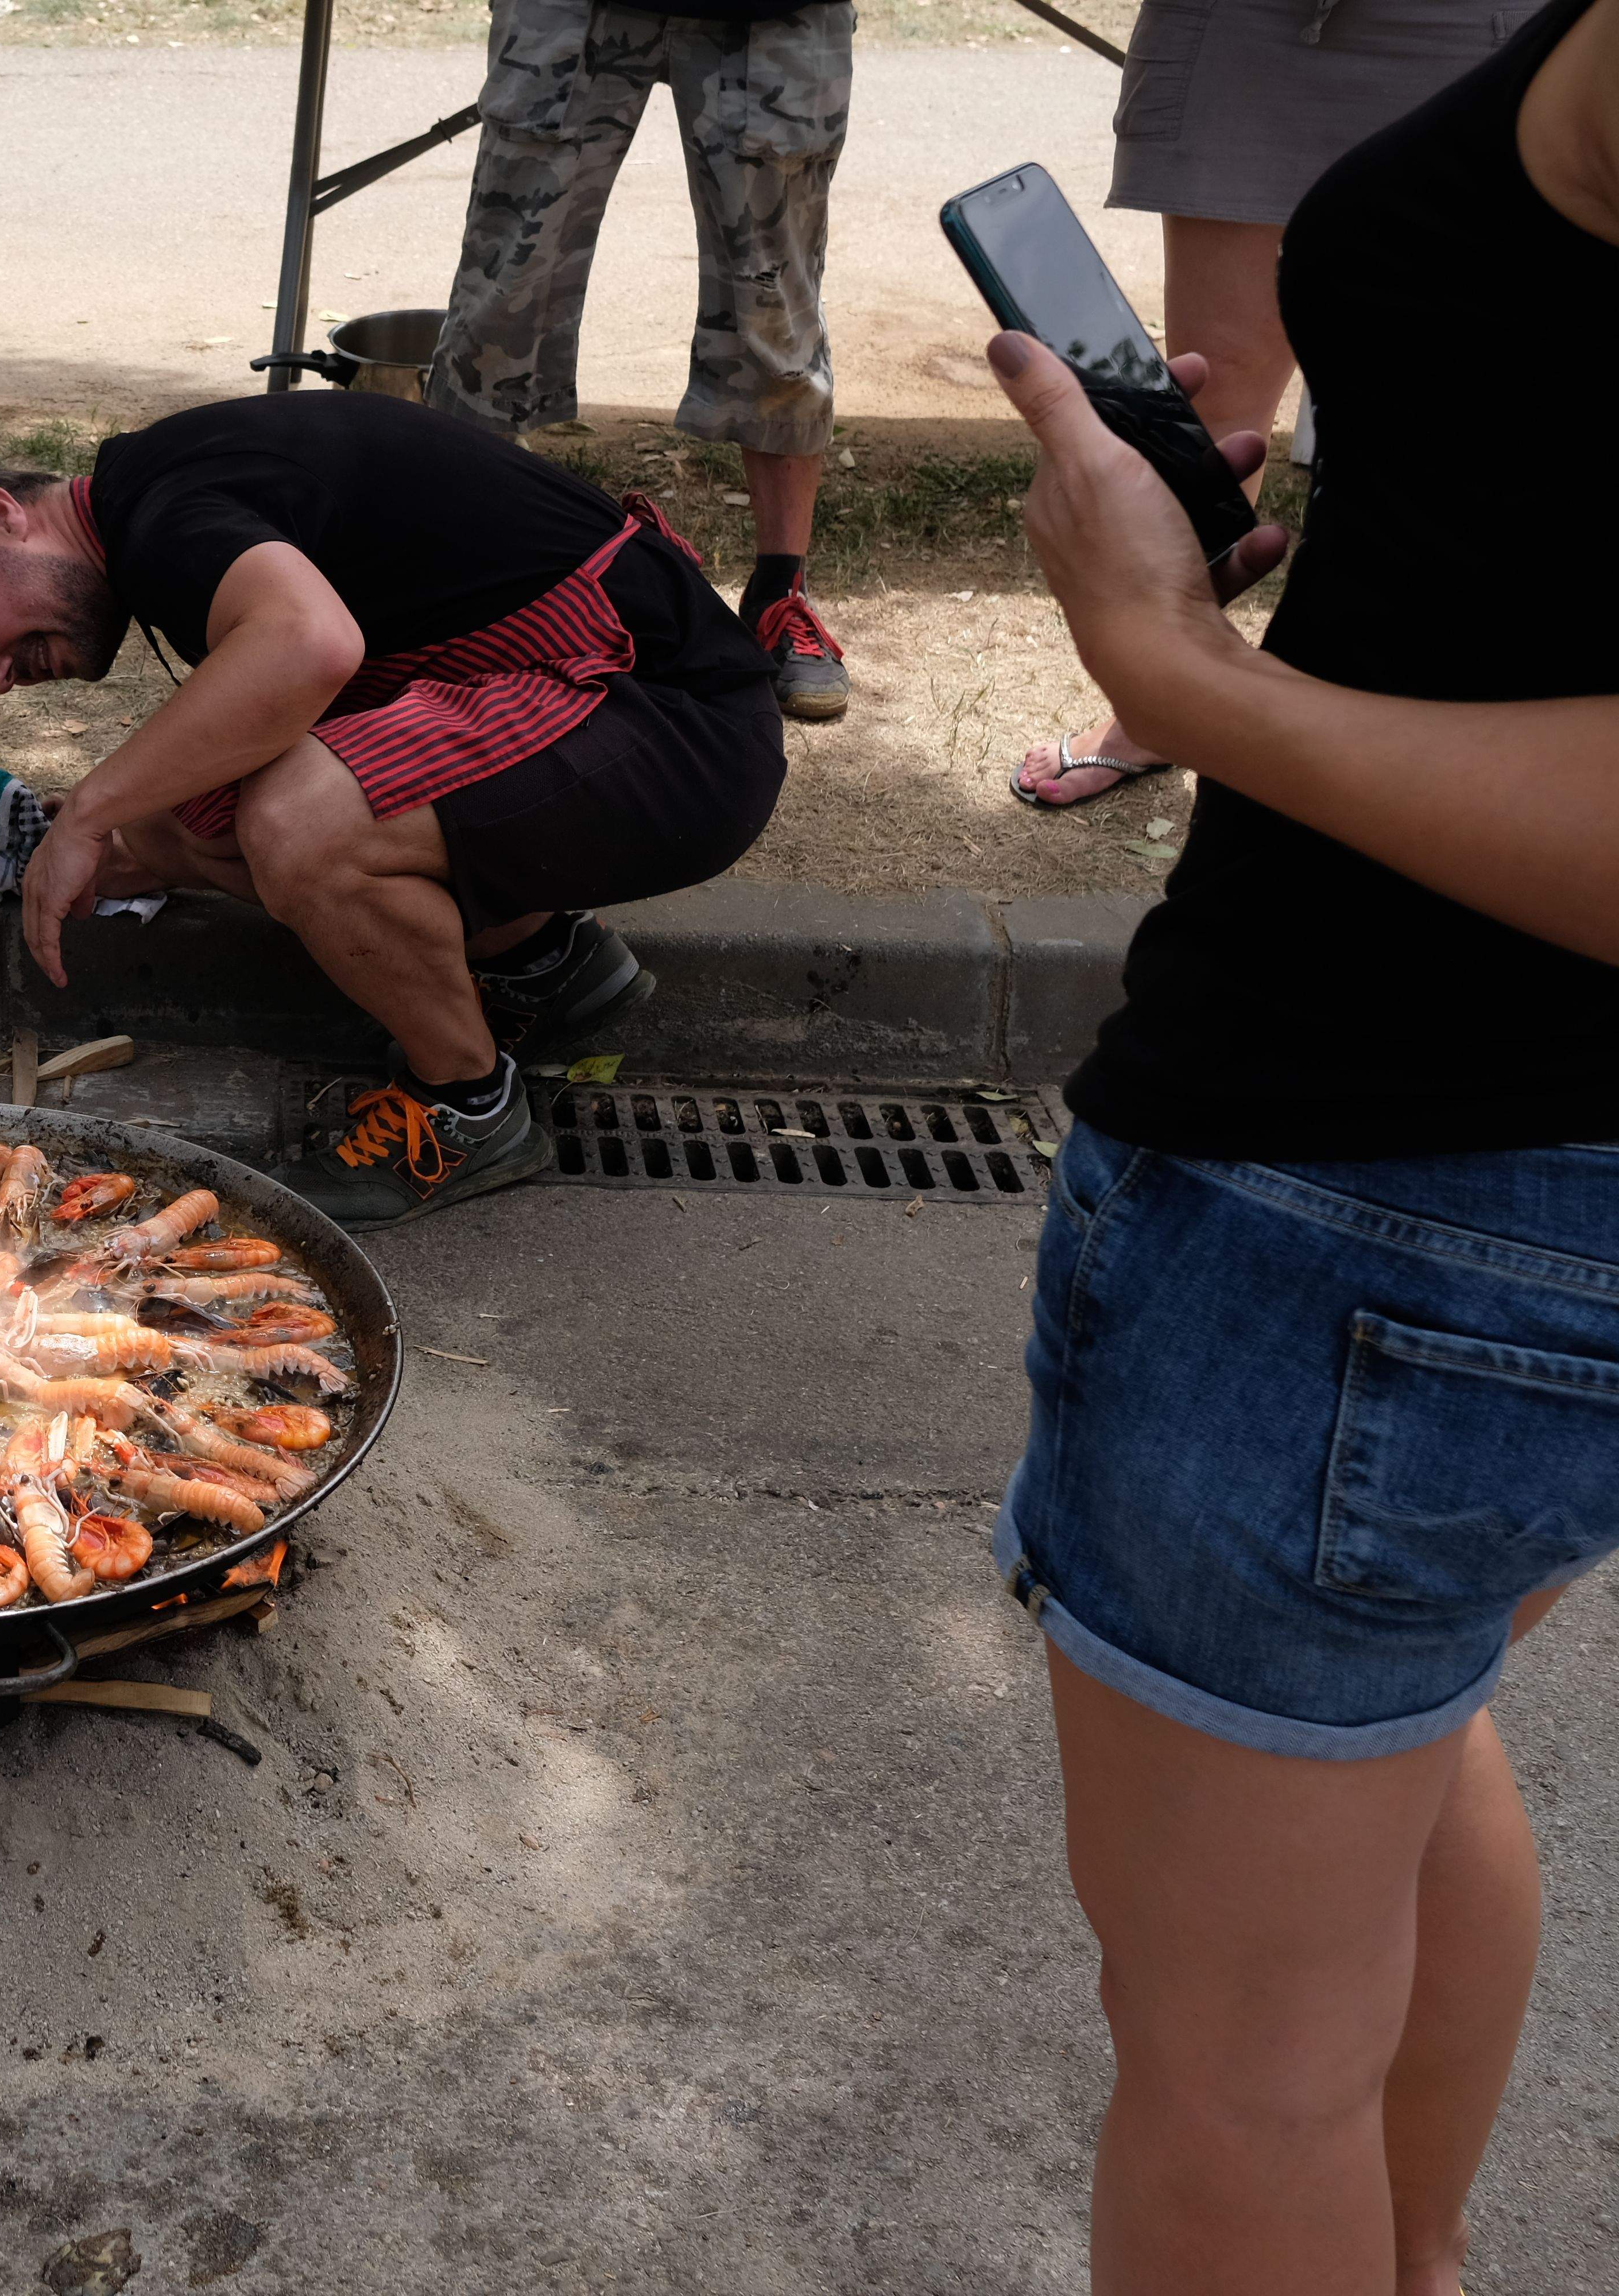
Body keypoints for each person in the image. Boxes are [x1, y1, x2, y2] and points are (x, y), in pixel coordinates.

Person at [980, 0, 1619, 2282]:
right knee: (1400, 1737)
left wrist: (1186, 680)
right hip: (1473, 1205)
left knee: (1241, 2058)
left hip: (1394, 1192)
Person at [0, 392, 787, 1231]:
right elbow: (255, 716)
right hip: (589, 699)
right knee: (187, 813)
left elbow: (311, 644)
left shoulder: (165, 516)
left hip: (671, 718)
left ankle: (465, 1105)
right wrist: (132, 820)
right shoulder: (163, 497)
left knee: (297, 823)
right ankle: (540, 964)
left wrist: (90, 814)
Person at [1014, 0, 1516, 805]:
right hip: (1258, 23)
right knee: (1215, 400)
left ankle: (1436, 701)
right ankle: (1165, 707)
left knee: (1454, 412)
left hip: (1474, 23)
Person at [425, 0, 855, 723]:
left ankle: (781, 594)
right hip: (572, 10)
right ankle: (466, 583)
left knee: (774, 306)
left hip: (775, 14)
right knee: (503, 298)